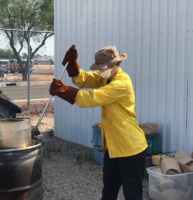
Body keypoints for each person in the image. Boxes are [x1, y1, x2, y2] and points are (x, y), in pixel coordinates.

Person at [49, 45, 148, 200]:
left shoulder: (122, 83)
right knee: (109, 187)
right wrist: (72, 62)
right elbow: (83, 80)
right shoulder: (106, 77)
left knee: (132, 193)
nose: (100, 71)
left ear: (114, 65)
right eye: (99, 68)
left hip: (131, 148)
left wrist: (64, 90)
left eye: (102, 68)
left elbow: (92, 97)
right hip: (113, 145)